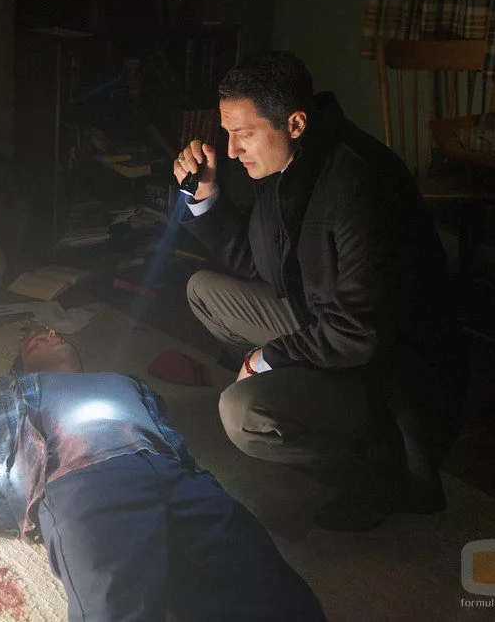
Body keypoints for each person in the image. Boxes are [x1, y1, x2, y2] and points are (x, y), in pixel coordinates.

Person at [174, 51, 465, 531]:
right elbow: (260, 264)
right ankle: (301, 396)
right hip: (322, 319)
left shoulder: (359, 183)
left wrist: (268, 357)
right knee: (204, 290)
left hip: (387, 368)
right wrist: (206, 198)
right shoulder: (288, 160)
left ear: (295, 122)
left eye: (243, 133)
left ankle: (375, 474)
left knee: (242, 412)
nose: (231, 150)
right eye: (227, 133)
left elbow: (361, 332)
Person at [0, 327, 325, 622]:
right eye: (35, 337)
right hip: (83, 480)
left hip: (175, 476)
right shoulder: (0, 391)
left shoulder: (128, 382)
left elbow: (168, 433)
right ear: (21, 363)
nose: (50, 333)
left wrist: (189, 472)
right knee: (119, 601)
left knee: (266, 583)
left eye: (56, 332)